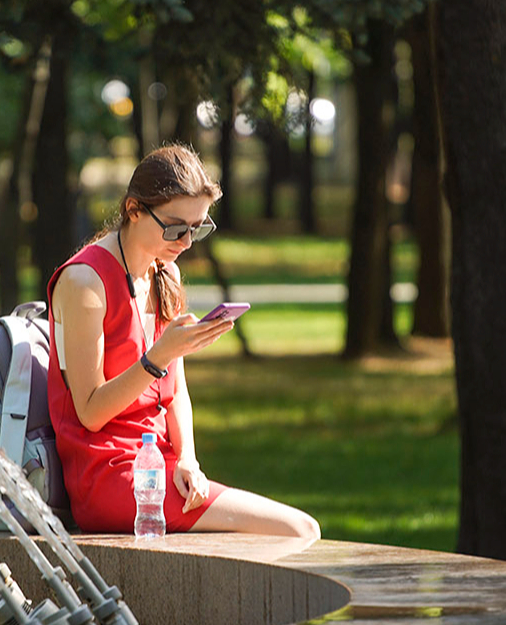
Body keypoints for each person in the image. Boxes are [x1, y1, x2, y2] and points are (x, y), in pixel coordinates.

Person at [46, 144, 320, 545]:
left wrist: (188, 458)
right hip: (107, 476)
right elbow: (90, 412)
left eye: (198, 228)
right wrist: (159, 356)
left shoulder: (164, 271)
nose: (187, 242)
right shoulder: (85, 282)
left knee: (296, 530)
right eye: (176, 228)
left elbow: (176, 393)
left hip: (157, 465)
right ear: (134, 209)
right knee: (299, 529)